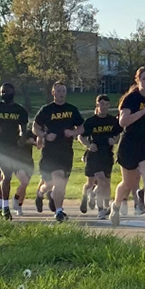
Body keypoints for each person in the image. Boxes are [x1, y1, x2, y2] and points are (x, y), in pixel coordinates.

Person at [112, 67, 145, 229]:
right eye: (144, 79)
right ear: (138, 81)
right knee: (128, 183)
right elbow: (123, 122)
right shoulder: (130, 99)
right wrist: (143, 111)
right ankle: (116, 206)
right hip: (129, 146)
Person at [32, 81, 84, 222]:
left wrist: (72, 132)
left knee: (60, 184)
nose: (61, 93)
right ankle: (59, 211)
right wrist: (44, 135)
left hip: (66, 151)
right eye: (59, 91)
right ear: (53, 93)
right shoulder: (46, 110)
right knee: (57, 181)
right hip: (50, 152)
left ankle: (43, 192)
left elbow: (81, 128)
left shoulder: (72, 110)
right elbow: (35, 128)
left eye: (63, 91)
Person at [0, 83, 32, 220]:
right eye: (2, 92)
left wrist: (22, 138)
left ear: (13, 92)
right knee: (7, 174)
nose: (5, 94)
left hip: (13, 146)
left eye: (7, 92)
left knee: (6, 177)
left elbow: (24, 128)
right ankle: (5, 208)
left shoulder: (19, 110)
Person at [79, 95, 121, 219]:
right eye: (101, 104)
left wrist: (114, 140)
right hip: (94, 156)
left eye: (106, 104)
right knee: (93, 182)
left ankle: (103, 204)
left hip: (107, 155)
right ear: (97, 105)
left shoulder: (112, 121)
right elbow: (81, 136)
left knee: (106, 183)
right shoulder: (91, 121)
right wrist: (89, 145)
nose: (104, 107)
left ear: (109, 106)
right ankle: (99, 207)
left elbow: (118, 134)